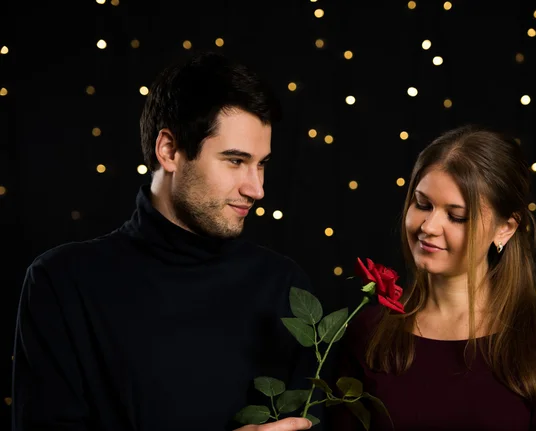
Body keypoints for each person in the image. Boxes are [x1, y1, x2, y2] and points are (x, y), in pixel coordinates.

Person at [11, 51, 314, 431]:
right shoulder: (62, 283)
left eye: (262, 164)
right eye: (235, 161)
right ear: (169, 151)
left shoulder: (286, 287)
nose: (257, 189)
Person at [329, 125, 536, 430]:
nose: (429, 226)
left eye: (457, 216)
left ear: (505, 228)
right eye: (422, 204)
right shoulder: (368, 332)